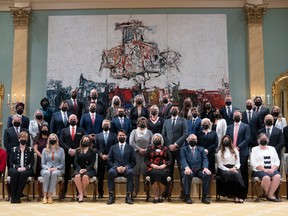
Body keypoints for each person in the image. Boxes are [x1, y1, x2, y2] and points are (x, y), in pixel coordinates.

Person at [162, 104, 188, 196]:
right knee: (169, 171)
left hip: (180, 149)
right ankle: (168, 191)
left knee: (182, 171)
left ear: (178, 111)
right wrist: (169, 145)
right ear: (170, 111)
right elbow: (163, 135)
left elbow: (185, 134)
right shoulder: (166, 121)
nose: (174, 110)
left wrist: (176, 144)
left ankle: (184, 192)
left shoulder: (183, 120)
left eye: (176, 109)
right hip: (169, 150)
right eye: (172, 109)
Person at [60, 114, 87, 198]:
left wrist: (76, 150)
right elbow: (61, 142)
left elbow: (84, 140)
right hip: (67, 155)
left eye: (74, 119)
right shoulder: (64, 130)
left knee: (77, 174)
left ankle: (79, 193)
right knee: (66, 174)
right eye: (71, 119)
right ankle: (63, 193)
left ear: (77, 120)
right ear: (68, 120)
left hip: (78, 155)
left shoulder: (81, 130)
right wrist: (69, 150)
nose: (73, 120)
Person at [180, 134, 211, 204]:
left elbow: (205, 159)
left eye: (194, 140)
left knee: (207, 175)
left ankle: (205, 196)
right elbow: (183, 159)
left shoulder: (201, 149)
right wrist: (186, 168)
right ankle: (187, 196)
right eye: (191, 140)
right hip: (189, 169)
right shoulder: (183, 149)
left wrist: (205, 168)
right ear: (188, 141)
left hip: (199, 170)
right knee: (187, 174)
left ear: (196, 141)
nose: (192, 141)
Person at [107, 129, 136, 205]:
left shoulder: (130, 147)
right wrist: (116, 167)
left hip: (126, 169)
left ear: (126, 137)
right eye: (120, 135)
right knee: (110, 172)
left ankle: (129, 196)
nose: (122, 136)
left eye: (123, 135)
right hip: (115, 168)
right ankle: (111, 196)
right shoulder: (113, 147)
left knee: (131, 172)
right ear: (117, 137)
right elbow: (109, 160)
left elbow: (133, 162)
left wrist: (125, 167)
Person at [225, 110, 250, 195]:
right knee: (233, 173)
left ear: (241, 117)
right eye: (235, 115)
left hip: (242, 152)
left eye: (238, 115)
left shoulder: (246, 126)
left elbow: (247, 139)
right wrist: (232, 148)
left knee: (243, 172)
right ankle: (233, 192)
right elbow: (226, 139)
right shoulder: (229, 127)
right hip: (231, 153)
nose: (237, 116)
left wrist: (238, 147)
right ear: (233, 117)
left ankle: (244, 192)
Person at [250, 133, 281, 202]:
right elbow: (253, 162)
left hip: (272, 169)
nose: (264, 140)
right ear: (258, 140)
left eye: (265, 139)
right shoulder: (254, 149)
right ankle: (268, 194)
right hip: (259, 170)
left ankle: (269, 195)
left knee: (277, 176)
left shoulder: (272, 148)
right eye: (262, 139)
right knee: (266, 178)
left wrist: (273, 169)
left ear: (268, 140)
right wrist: (264, 169)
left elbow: (277, 161)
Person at [216, 135, 246, 203]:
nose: (226, 141)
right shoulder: (220, 152)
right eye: (224, 140)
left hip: (234, 167)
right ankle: (234, 195)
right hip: (224, 169)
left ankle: (239, 196)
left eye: (227, 140)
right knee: (231, 175)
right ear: (222, 141)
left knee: (237, 175)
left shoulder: (235, 151)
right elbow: (220, 165)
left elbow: (238, 163)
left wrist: (234, 168)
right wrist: (229, 169)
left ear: (230, 141)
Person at [130, 117, 153, 197]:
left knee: (146, 173)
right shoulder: (134, 131)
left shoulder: (149, 132)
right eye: (140, 121)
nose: (142, 122)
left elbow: (152, 143)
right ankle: (135, 191)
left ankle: (147, 191)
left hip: (146, 155)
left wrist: (146, 150)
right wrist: (139, 149)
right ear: (138, 122)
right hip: (136, 154)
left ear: (146, 123)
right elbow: (131, 142)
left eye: (144, 121)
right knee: (135, 173)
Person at [144, 133, 171, 203]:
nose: (156, 139)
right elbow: (145, 160)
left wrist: (164, 165)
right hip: (152, 168)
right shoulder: (149, 148)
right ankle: (156, 196)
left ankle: (160, 195)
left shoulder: (165, 148)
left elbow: (170, 159)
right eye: (155, 138)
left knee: (162, 174)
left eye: (158, 138)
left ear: (161, 139)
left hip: (164, 168)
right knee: (155, 173)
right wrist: (152, 165)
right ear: (153, 140)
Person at [8, 131, 34, 203]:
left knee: (23, 174)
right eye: (22, 138)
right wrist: (17, 167)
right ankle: (13, 197)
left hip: (27, 169)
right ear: (19, 139)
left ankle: (18, 196)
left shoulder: (30, 149)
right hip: (15, 168)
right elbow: (10, 162)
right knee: (14, 173)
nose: (23, 139)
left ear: (27, 139)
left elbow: (32, 162)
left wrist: (25, 168)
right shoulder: (13, 149)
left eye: (25, 138)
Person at [94, 119, 117, 198]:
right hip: (101, 158)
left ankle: (111, 193)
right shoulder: (98, 135)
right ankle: (100, 193)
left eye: (107, 124)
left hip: (111, 159)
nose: (106, 125)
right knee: (100, 176)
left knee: (111, 175)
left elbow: (115, 147)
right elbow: (95, 148)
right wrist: (101, 155)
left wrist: (108, 155)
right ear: (102, 125)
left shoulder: (114, 135)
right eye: (104, 124)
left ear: (110, 126)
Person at [41, 133, 65, 204]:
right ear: (48, 140)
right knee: (46, 173)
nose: (52, 140)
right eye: (51, 139)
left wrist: (56, 168)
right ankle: (45, 196)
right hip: (46, 169)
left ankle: (50, 195)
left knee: (54, 173)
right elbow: (42, 163)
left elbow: (62, 163)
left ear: (56, 140)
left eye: (54, 139)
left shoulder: (61, 150)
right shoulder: (44, 150)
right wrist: (47, 168)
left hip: (58, 169)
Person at [73, 135, 96, 202]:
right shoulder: (78, 150)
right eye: (84, 140)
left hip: (89, 169)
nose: (86, 142)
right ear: (82, 141)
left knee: (85, 177)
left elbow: (92, 163)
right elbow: (76, 162)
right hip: (79, 168)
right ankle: (81, 194)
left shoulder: (93, 151)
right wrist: (80, 169)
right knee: (77, 176)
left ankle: (80, 194)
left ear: (90, 142)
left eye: (87, 140)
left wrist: (86, 169)